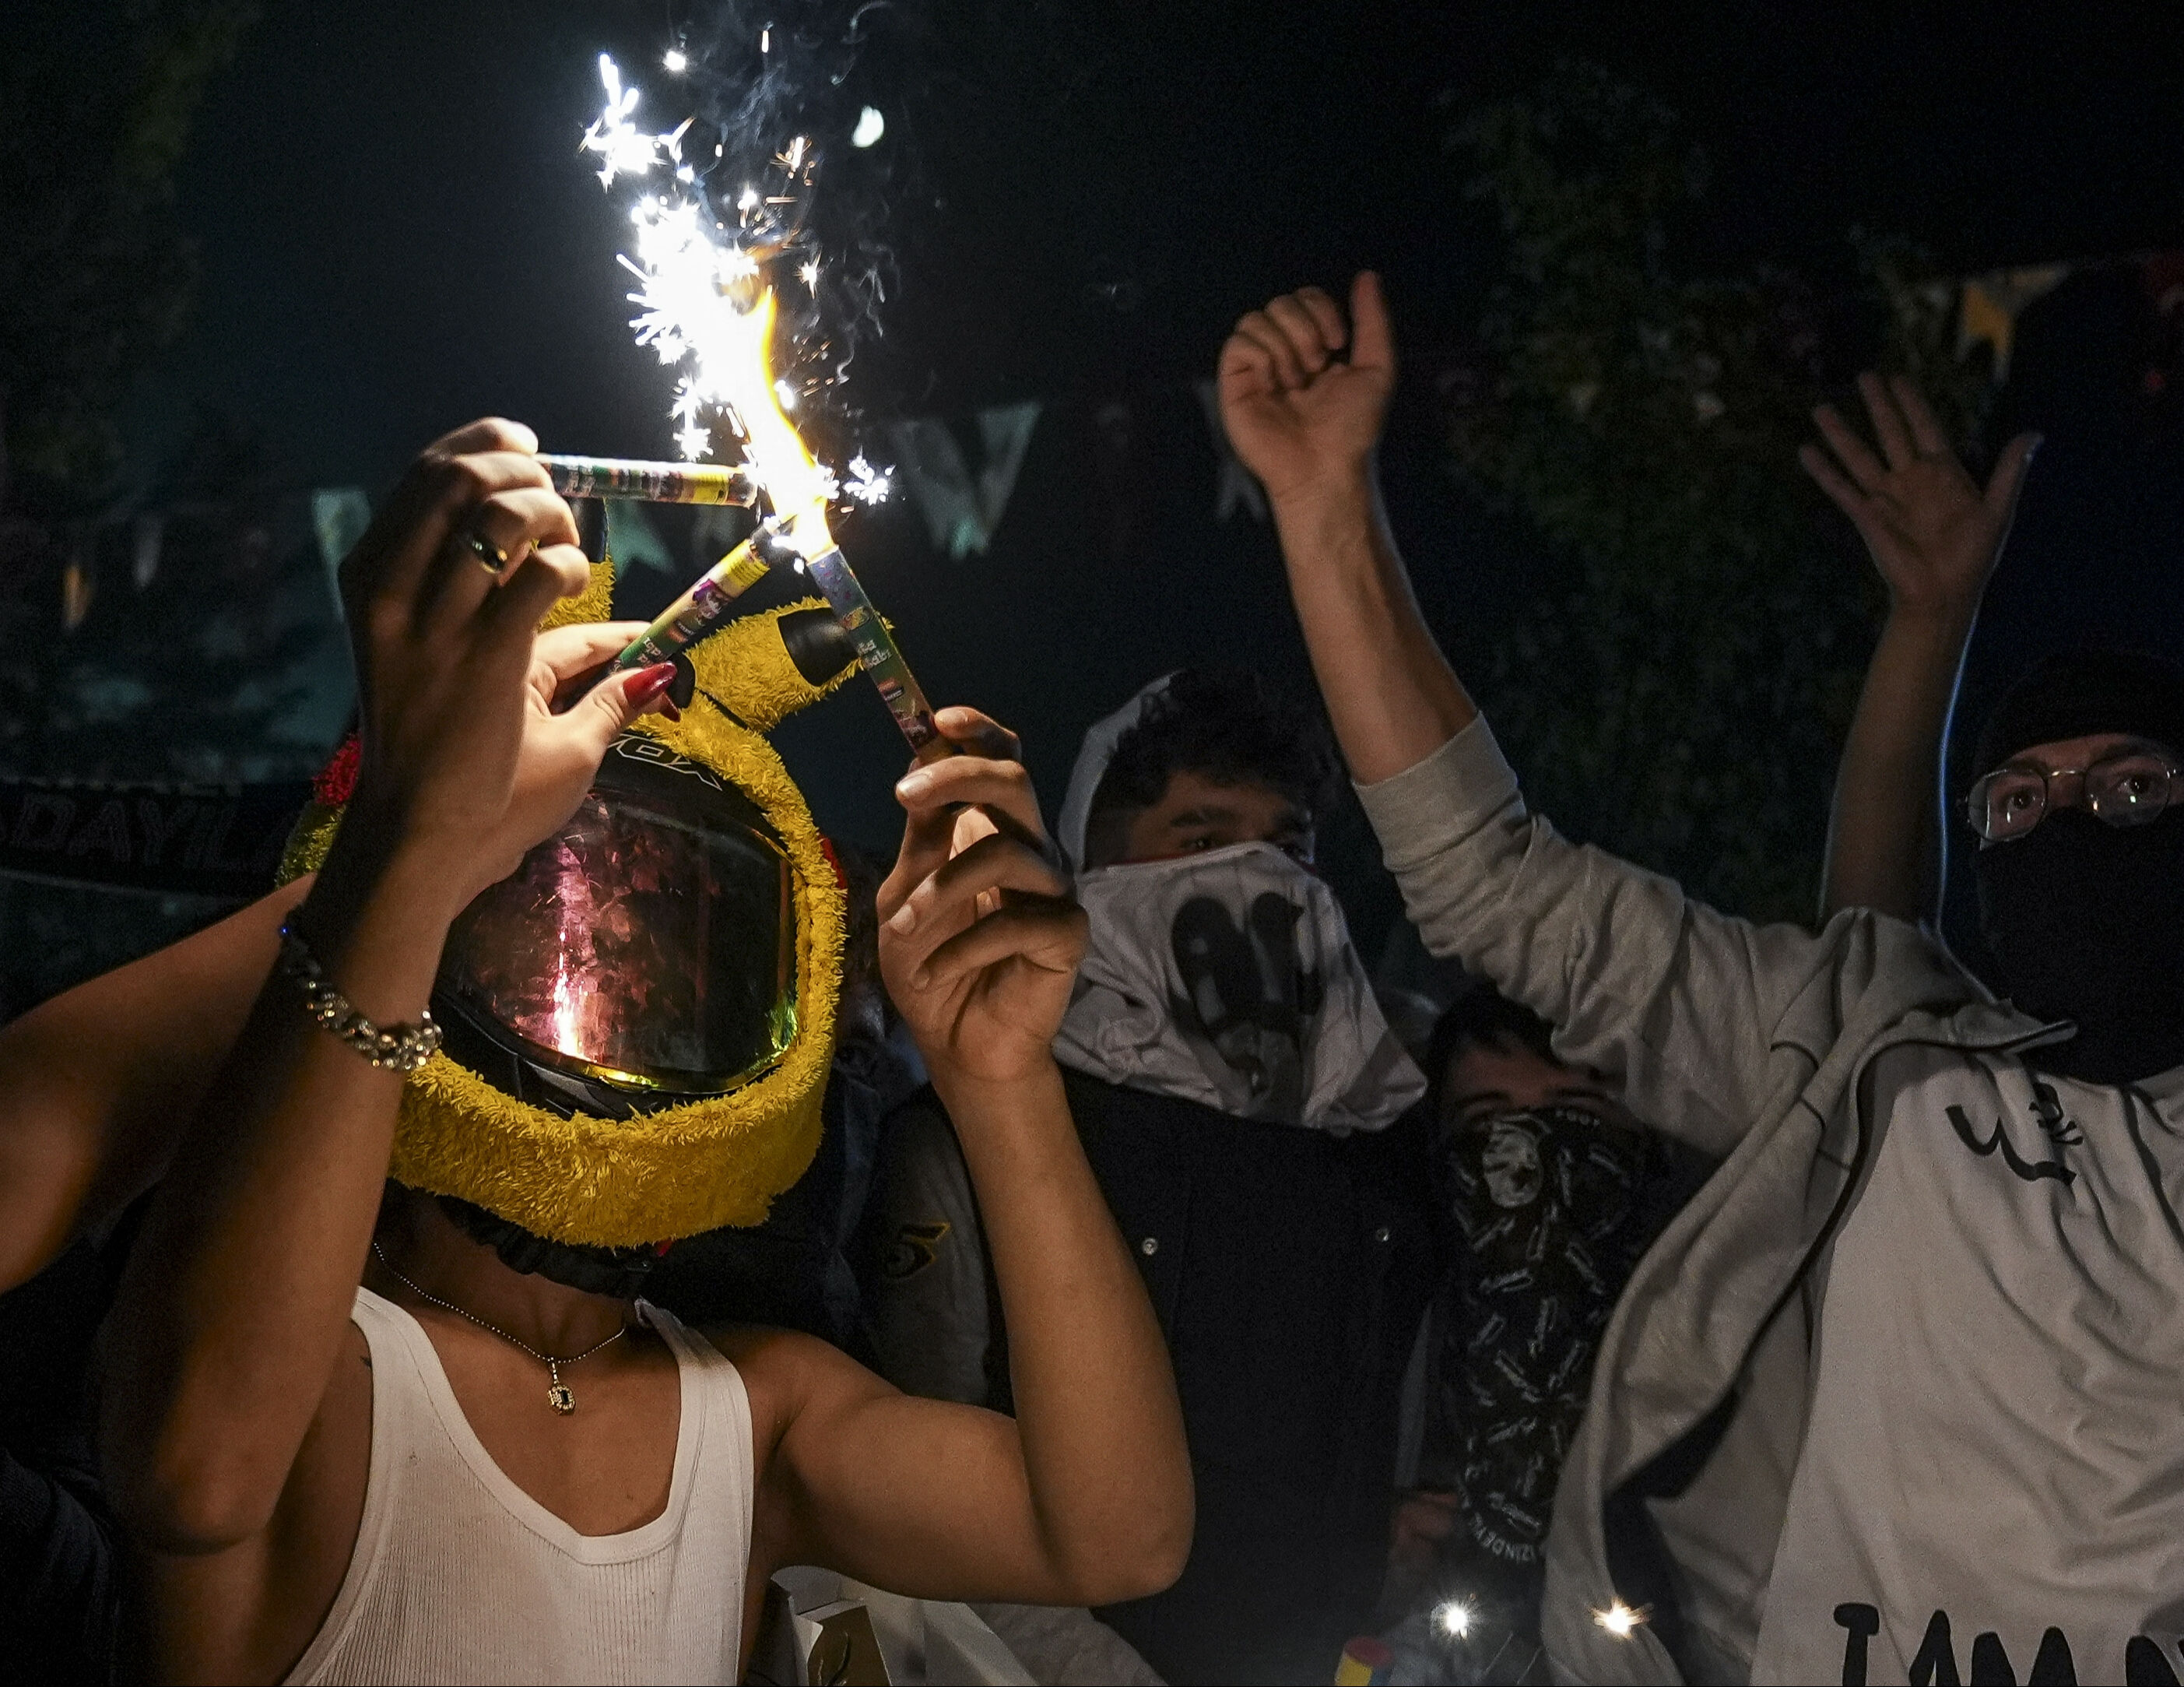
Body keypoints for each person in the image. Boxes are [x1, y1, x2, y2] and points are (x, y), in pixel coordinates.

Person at [95, 419, 1192, 1684]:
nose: (623, 972)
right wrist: (413, 838)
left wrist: (998, 1078)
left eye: (697, 935)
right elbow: (196, 1470)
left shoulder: (760, 1413)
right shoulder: (307, 1352)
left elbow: (1117, 1536)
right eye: (540, 894)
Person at [1218, 273, 2184, 1685]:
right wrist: (1324, 508)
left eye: (2136, 787)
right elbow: (1494, 879)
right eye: (2018, 804)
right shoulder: (1889, 1062)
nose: (2071, 822)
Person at [862, 666, 1438, 1684]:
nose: (1258, 876)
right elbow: (924, 1490)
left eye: (1288, 845)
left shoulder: (1373, 1144)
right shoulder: (979, 1129)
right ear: (1102, 861)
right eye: (1203, 839)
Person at [1378, 983, 1709, 1684]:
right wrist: (1365, 1566)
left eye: (1574, 1118)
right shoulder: (1385, 1346)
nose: (1531, 1155)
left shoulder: (1727, 1352)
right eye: (1487, 1120)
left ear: (1645, 1145)